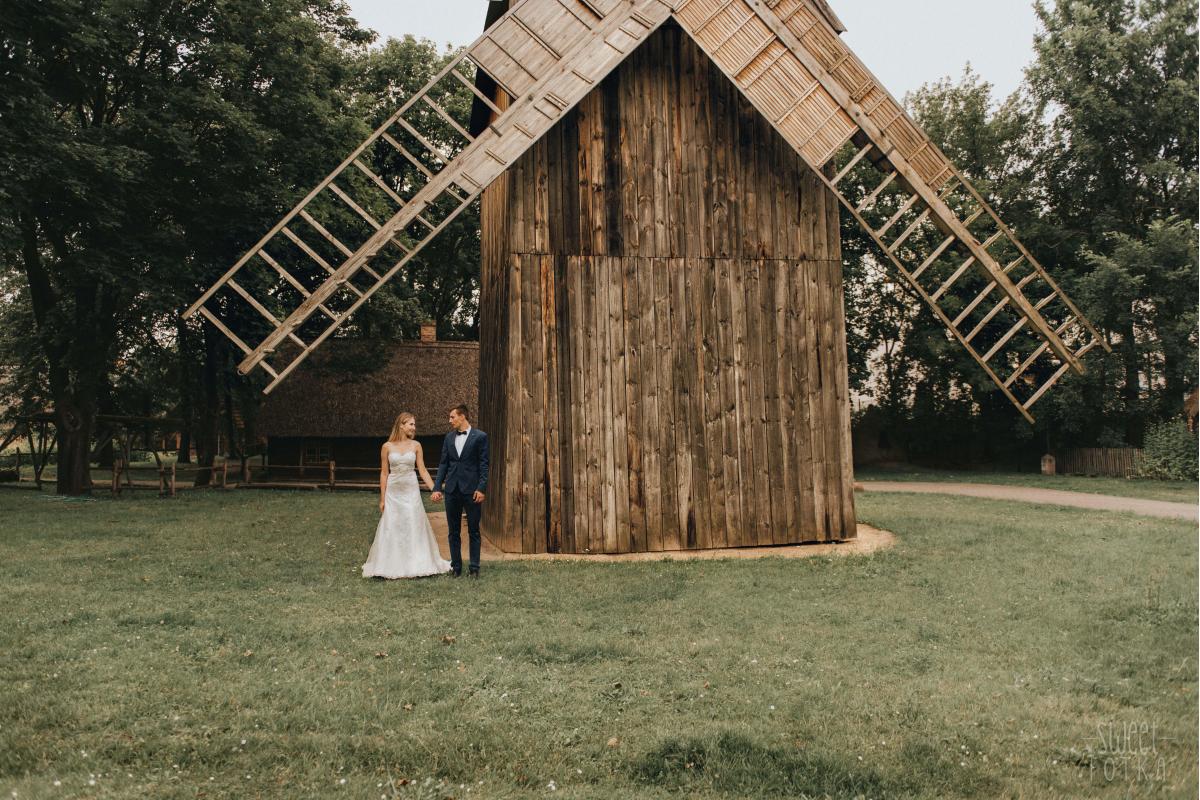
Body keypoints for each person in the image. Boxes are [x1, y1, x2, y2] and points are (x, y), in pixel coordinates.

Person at [362, 412, 451, 579]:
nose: (414, 427)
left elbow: (422, 470)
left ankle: (416, 563)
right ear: (401, 425)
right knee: (393, 524)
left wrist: (435, 488)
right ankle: (389, 564)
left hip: (411, 489)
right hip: (393, 491)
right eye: (411, 424)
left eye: (414, 424)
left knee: (412, 521)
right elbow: (384, 473)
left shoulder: (416, 445)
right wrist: (382, 498)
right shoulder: (387, 447)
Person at [431, 404, 489, 578]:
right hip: (452, 490)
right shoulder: (448, 438)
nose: (450, 421)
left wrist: (481, 488)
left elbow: (484, 465)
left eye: (452, 417)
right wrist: (437, 487)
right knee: (453, 531)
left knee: (473, 530)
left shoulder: (480, 437)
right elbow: (443, 464)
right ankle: (456, 567)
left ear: (462, 416)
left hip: (471, 490)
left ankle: (474, 568)